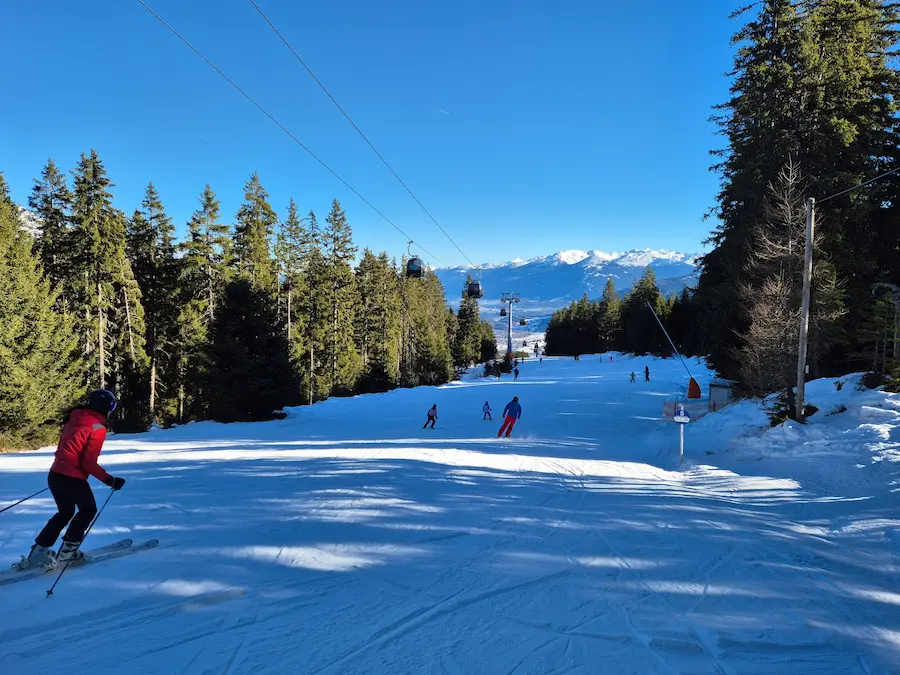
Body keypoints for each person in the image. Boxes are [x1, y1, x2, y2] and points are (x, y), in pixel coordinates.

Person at [20, 389, 126, 569]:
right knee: (88, 510)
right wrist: (110, 480)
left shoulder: (74, 417)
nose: (111, 410)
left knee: (65, 512)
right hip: (72, 478)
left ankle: (39, 552)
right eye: (112, 406)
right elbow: (88, 462)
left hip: (55, 475)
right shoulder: (97, 428)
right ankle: (68, 552)